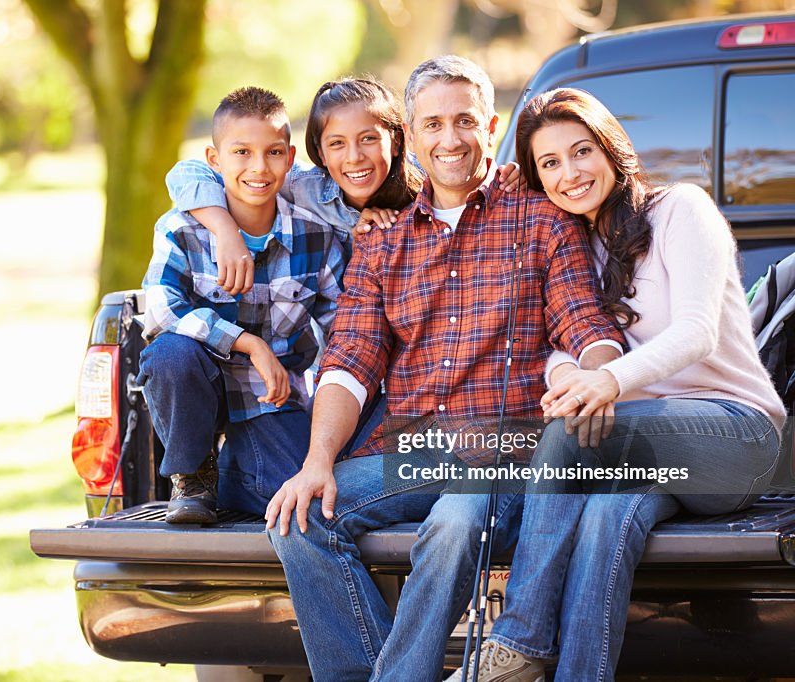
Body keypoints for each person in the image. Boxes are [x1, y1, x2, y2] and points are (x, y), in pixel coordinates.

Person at [262, 57, 625, 682]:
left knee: (455, 522)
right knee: (297, 521)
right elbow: (350, 359)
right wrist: (318, 462)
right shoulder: (384, 239)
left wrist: (601, 376)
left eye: (464, 121)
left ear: (490, 125)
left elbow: (585, 323)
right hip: (413, 450)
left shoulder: (541, 220)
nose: (449, 139)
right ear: (412, 134)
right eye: (432, 124)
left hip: (507, 450)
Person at [454, 88, 785, 682]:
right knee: (607, 517)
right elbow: (558, 346)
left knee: (564, 436)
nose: (569, 173)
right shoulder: (575, 247)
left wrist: (603, 380)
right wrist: (570, 379)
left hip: (731, 436)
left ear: (611, 148)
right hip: (641, 452)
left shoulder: (681, 209)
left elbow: (696, 333)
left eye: (581, 151)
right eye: (549, 163)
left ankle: (522, 638)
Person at [138, 86, 346, 524]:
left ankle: (234, 473)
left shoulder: (314, 235)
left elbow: (341, 325)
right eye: (241, 152)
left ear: (290, 159)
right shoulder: (182, 229)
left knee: (302, 499)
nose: (258, 167)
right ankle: (193, 475)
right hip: (202, 386)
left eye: (273, 153)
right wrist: (249, 343)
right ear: (215, 161)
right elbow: (159, 307)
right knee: (170, 352)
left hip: (270, 398)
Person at [165, 76, 522, 296]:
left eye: (368, 139)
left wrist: (506, 177)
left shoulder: (427, 179)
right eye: (337, 144)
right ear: (318, 152)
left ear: (397, 141)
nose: (354, 158)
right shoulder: (301, 187)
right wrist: (225, 230)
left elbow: (468, 171)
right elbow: (186, 173)